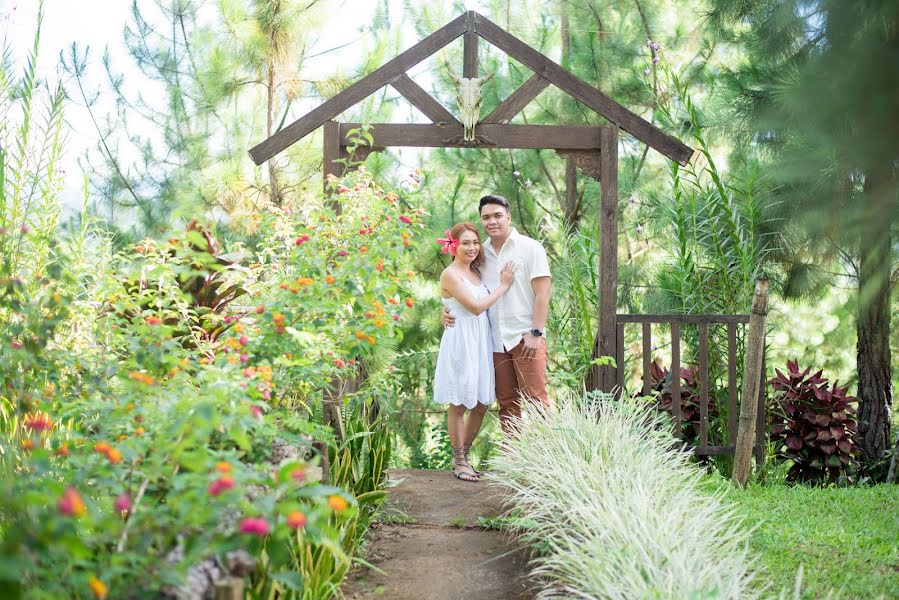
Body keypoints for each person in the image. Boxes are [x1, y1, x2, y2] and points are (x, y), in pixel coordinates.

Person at [445, 195, 551, 434]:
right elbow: (464, 287)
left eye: (497, 215)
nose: (492, 221)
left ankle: (550, 461)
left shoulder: (530, 248)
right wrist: (448, 310)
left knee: (536, 399)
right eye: (486, 217)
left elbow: (543, 294)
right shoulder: (479, 255)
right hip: (494, 341)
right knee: (507, 402)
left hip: (525, 336)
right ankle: (513, 460)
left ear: (508, 217)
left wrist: (536, 332)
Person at [433, 222, 516, 482]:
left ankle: (466, 456)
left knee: (481, 402)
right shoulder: (450, 274)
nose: (471, 247)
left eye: (475, 242)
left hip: (481, 341)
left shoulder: (477, 271)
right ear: (453, 245)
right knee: (459, 402)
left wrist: (444, 311)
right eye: (465, 243)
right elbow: (476, 307)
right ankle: (458, 461)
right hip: (461, 343)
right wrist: (503, 286)